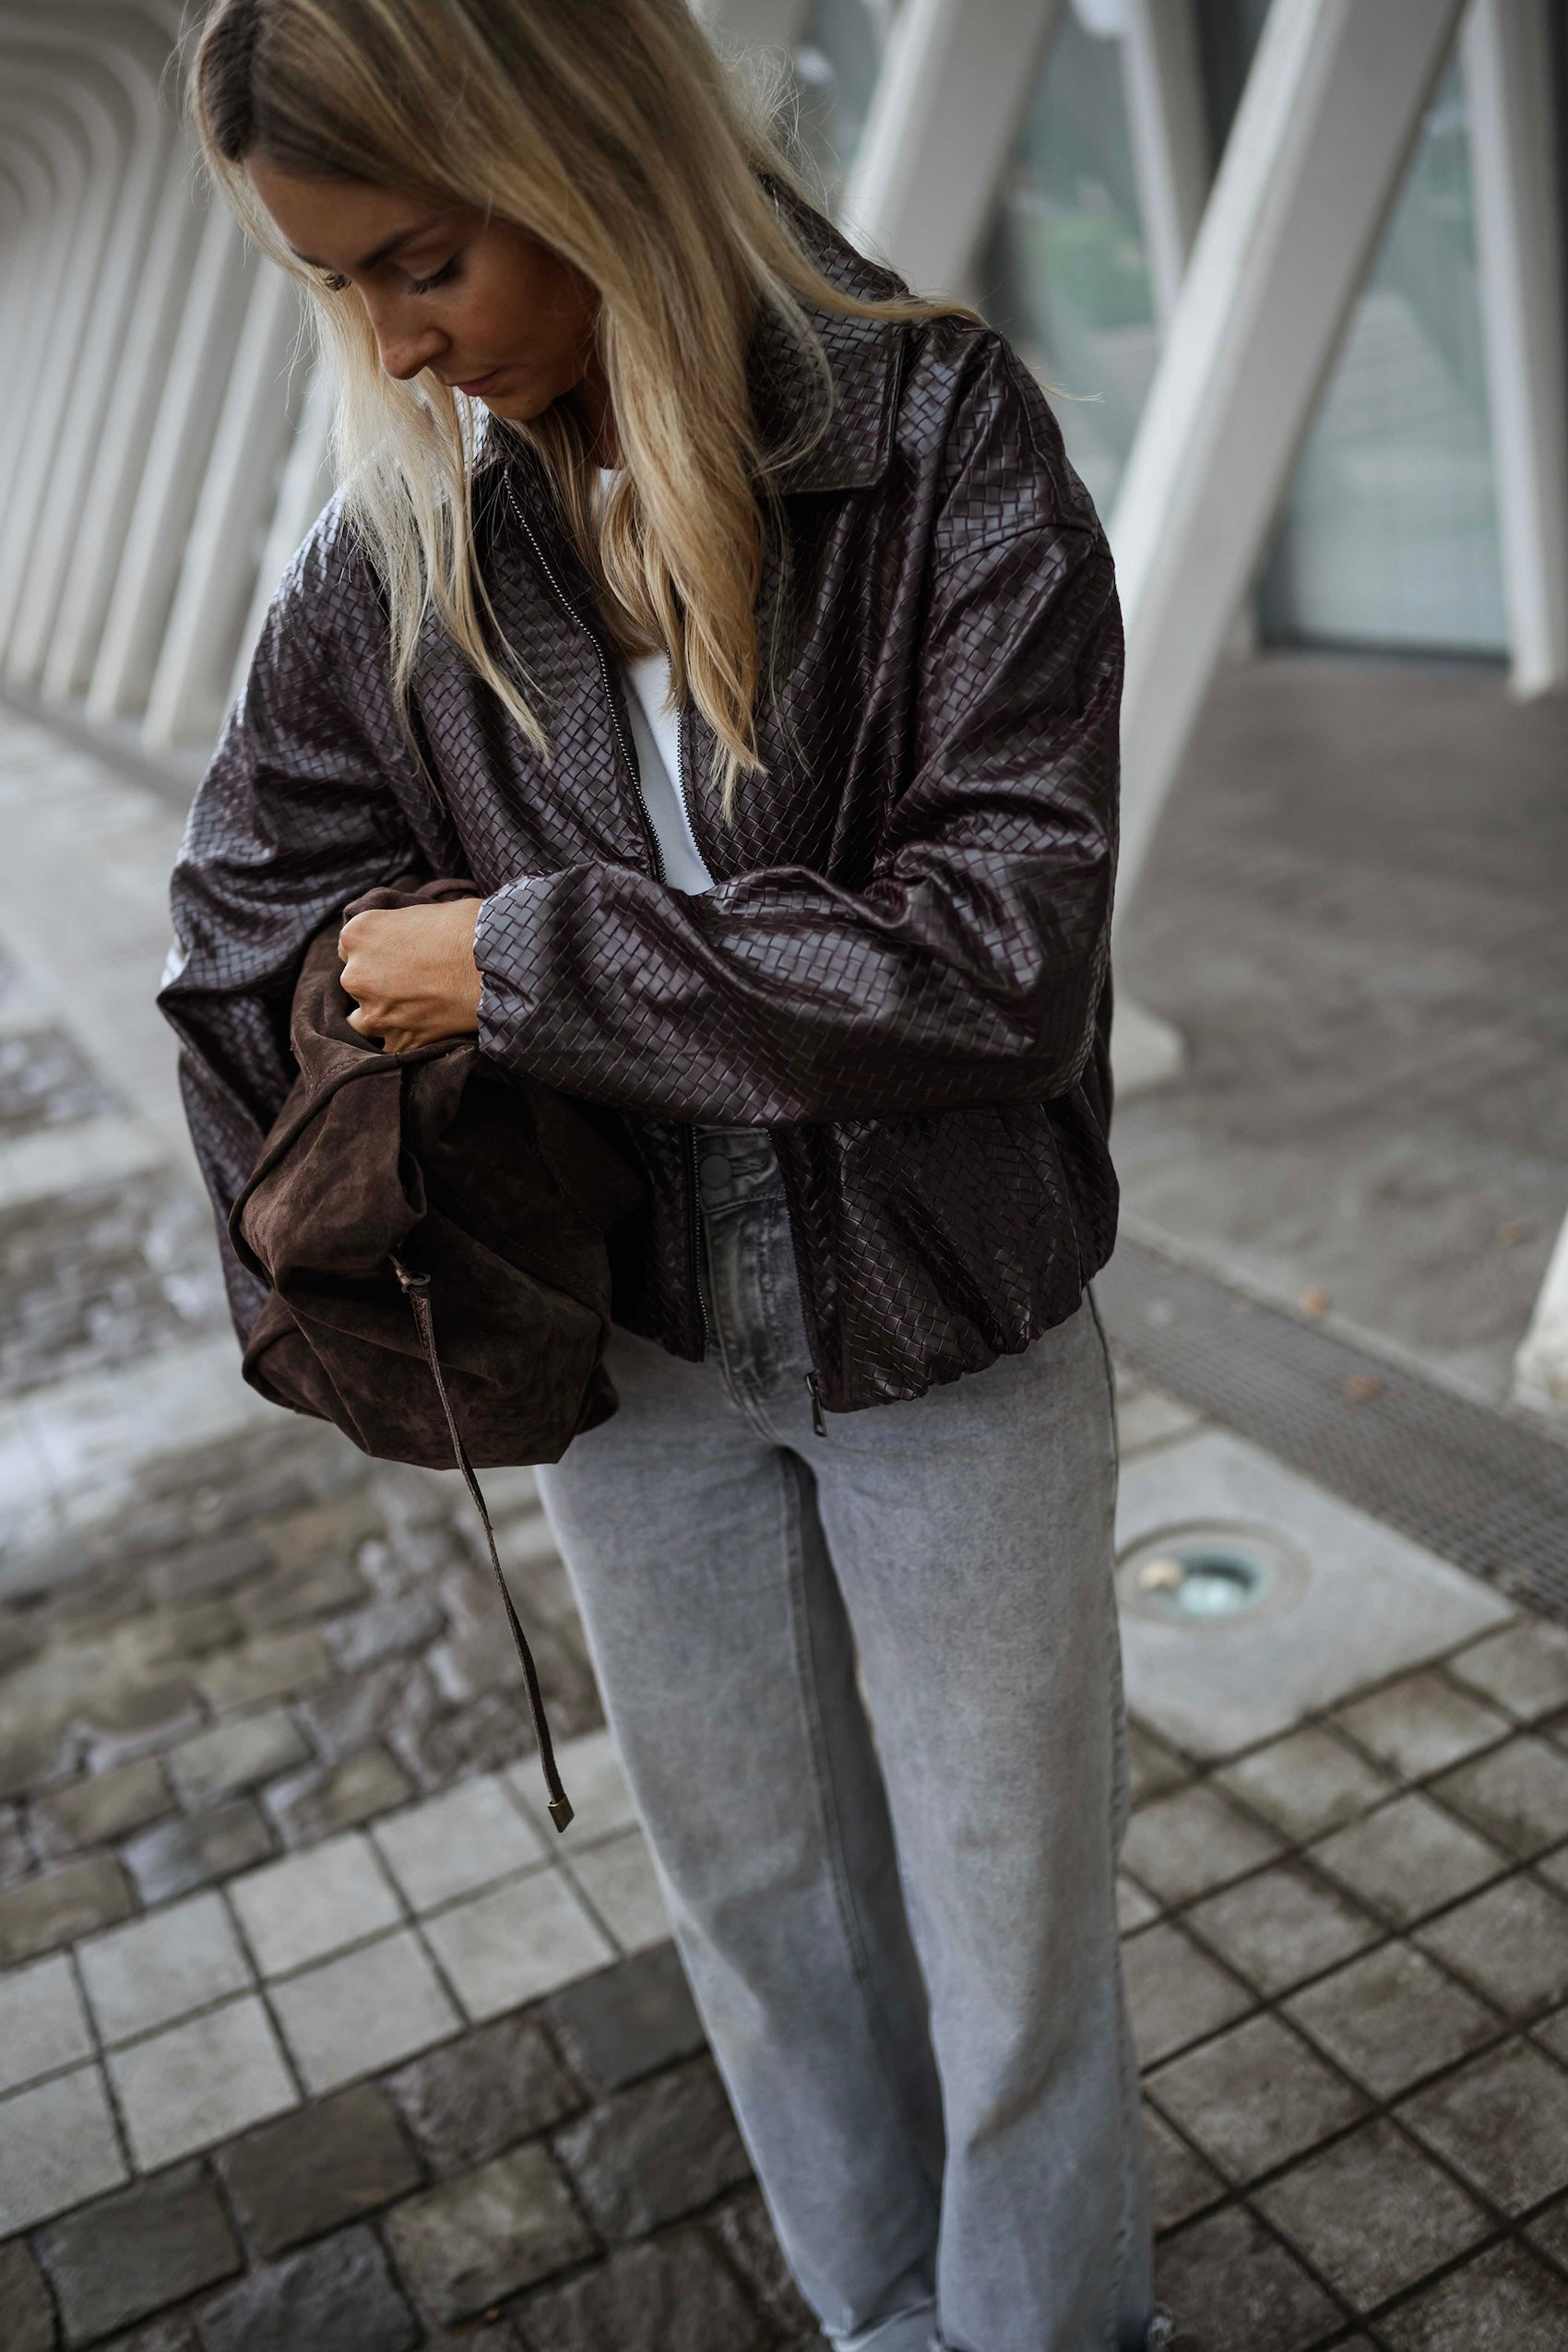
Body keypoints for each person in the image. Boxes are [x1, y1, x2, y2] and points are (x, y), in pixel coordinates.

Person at [162, 5, 1159, 2346]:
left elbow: (998, 957)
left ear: (577, 152)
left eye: (422, 261)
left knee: (1013, 1941)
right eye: (337, 287)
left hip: (952, 1338)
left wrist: (518, 964)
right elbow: (236, 938)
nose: (394, 348)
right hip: (629, 1366)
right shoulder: (395, 541)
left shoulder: (935, 437)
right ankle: (877, 2319)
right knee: (759, 1912)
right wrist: (355, 1195)